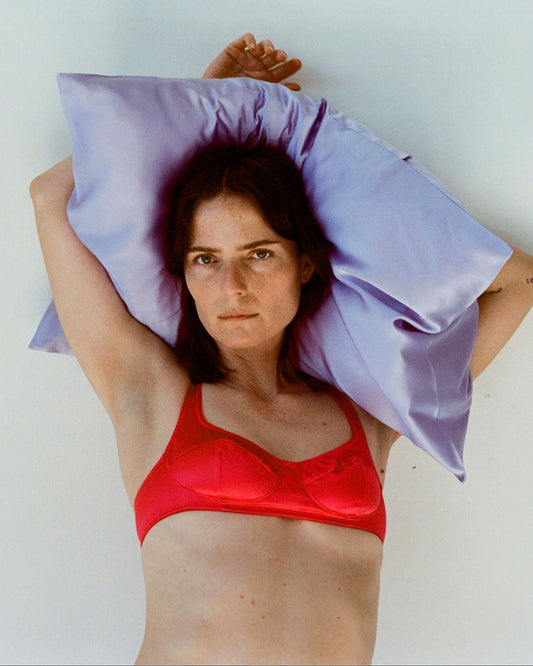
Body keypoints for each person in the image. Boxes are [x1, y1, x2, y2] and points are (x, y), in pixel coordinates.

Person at [29, 33, 533, 665]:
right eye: (205, 259)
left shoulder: (370, 413)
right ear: (182, 274)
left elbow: (518, 284)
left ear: (306, 264)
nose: (232, 286)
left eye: (260, 254)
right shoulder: (150, 391)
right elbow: (50, 196)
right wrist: (206, 102)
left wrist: (376, 202)